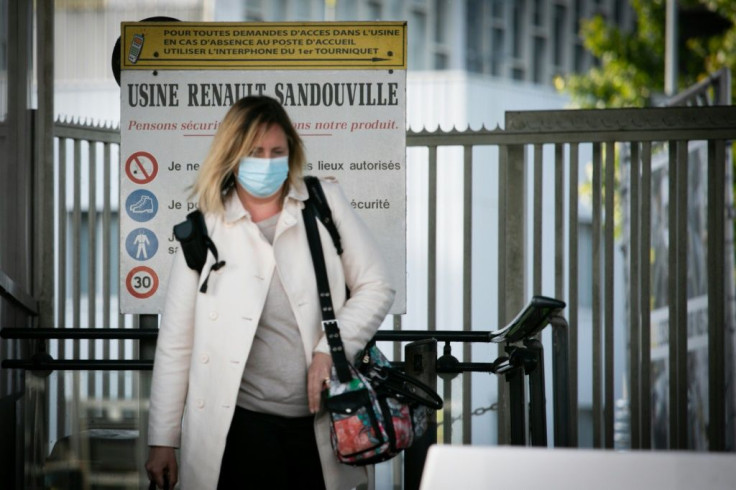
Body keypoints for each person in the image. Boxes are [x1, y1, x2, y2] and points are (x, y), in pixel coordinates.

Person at [145, 95, 395, 489]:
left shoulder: (322, 204)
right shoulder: (204, 228)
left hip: (321, 426)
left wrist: (328, 352)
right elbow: (176, 341)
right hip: (238, 429)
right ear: (231, 154)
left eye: (276, 151)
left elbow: (377, 285)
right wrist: (162, 440)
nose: (266, 162)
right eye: (254, 152)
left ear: (291, 153)